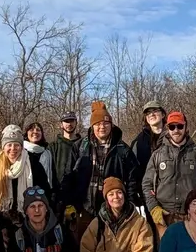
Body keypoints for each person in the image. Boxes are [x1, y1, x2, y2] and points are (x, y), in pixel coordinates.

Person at [63, 101, 140, 237]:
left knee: (111, 248)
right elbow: (69, 176)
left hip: (114, 209)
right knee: (84, 248)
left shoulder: (122, 150)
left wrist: (129, 203)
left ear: (111, 125)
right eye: (98, 124)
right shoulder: (80, 147)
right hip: (85, 208)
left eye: (106, 123)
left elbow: (133, 179)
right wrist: (70, 203)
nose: (102, 127)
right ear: (92, 126)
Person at [142, 110, 196, 238]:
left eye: (180, 126)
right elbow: (146, 184)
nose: (176, 130)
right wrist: (154, 208)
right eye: (172, 127)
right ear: (168, 129)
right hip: (165, 216)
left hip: (192, 215)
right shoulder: (157, 154)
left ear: (186, 127)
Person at [80, 176, 153, 252]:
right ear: (106, 199)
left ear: (124, 195)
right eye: (111, 194)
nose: (116, 197)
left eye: (119, 192)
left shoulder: (140, 223)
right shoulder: (98, 223)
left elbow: (144, 251)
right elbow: (86, 251)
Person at [0, 124, 51, 227]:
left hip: (27, 219)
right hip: (1, 219)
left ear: (21, 146)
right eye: (9, 145)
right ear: (3, 146)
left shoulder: (33, 163)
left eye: (17, 145)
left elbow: (45, 190)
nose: (13, 149)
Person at [50, 112, 83, 196]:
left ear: (76, 123)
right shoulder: (53, 147)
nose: (69, 124)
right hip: (58, 194)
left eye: (72, 121)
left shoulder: (84, 145)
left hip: (80, 194)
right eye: (66, 121)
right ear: (61, 124)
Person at [23, 120, 56, 199]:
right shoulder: (21, 152)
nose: (35, 132)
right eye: (31, 130)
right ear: (27, 133)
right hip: (24, 193)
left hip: (43, 194)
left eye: (38, 130)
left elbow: (53, 174)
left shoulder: (47, 152)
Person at [131, 100, 166, 173]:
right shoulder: (139, 141)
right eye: (148, 113)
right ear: (146, 118)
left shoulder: (173, 135)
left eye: (155, 110)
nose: (152, 114)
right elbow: (133, 168)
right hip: (147, 182)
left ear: (163, 114)